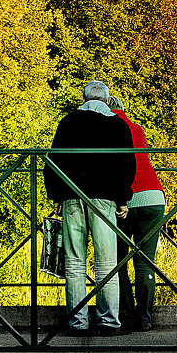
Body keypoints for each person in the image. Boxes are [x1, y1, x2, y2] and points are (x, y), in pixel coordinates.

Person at [43, 81, 136, 335]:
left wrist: (58, 195)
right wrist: (122, 199)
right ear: (107, 101)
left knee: (74, 263)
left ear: (82, 98)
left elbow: (53, 160)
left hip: (73, 196)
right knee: (107, 263)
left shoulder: (68, 122)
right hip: (105, 200)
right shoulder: (118, 125)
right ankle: (108, 321)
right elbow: (127, 165)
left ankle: (78, 322)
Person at [107, 95, 166, 332]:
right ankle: (144, 316)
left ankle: (125, 314)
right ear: (123, 109)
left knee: (119, 260)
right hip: (154, 196)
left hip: (126, 200)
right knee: (145, 262)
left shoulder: (109, 129)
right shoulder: (137, 128)